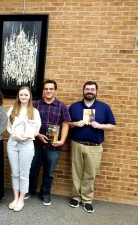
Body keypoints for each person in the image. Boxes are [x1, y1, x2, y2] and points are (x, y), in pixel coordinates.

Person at [68, 81, 116, 213]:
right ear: (83, 91)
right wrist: (75, 124)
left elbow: (113, 126)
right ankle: (76, 197)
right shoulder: (74, 106)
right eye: (87, 89)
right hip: (77, 144)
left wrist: (100, 126)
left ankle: (87, 200)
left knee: (90, 174)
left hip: (95, 147)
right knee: (76, 172)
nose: (90, 91)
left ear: (96, 92)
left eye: (92, 89)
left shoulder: (104, 107)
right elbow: (66, 123)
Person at [27, 79, 70, 206]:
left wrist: (62, 141)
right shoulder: (35, 105)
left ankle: (45, 194)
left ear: (55, 90)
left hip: (53, 146)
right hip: (35, 144)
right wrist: (38, 134)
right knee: (32, 169)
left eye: (51, 89)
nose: (48, 91)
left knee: (49, 172)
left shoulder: (62, 106)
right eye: (46, 89)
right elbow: (29, 123)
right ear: (43, 90)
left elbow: (65, 125)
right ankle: (30, 191)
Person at [7, 86, 41, 212]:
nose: (23, 97)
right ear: (18, 96)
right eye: (21, 95)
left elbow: (37, 130)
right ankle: (15, 198)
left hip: (27, 145)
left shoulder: (34, 111)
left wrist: (27, 136)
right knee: (14, 173)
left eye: (26, 95)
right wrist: (13, 134)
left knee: (24, 174)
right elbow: (8, 126)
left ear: (30, 96)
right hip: (12, 144)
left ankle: (21, 199)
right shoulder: (12, 109)